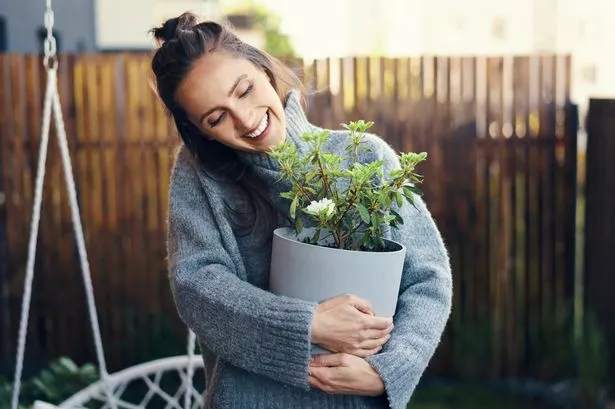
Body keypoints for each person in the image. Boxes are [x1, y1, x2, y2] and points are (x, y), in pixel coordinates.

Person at [150, 12, 452, 409]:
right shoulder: (200, 177)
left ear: (263, 69)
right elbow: (196, 285)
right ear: (199, 131)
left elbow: (427, 277)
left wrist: (388, 371)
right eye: (217, 117)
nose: (244, 119)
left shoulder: (363, 157)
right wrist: (308, 324)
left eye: (244, 90)